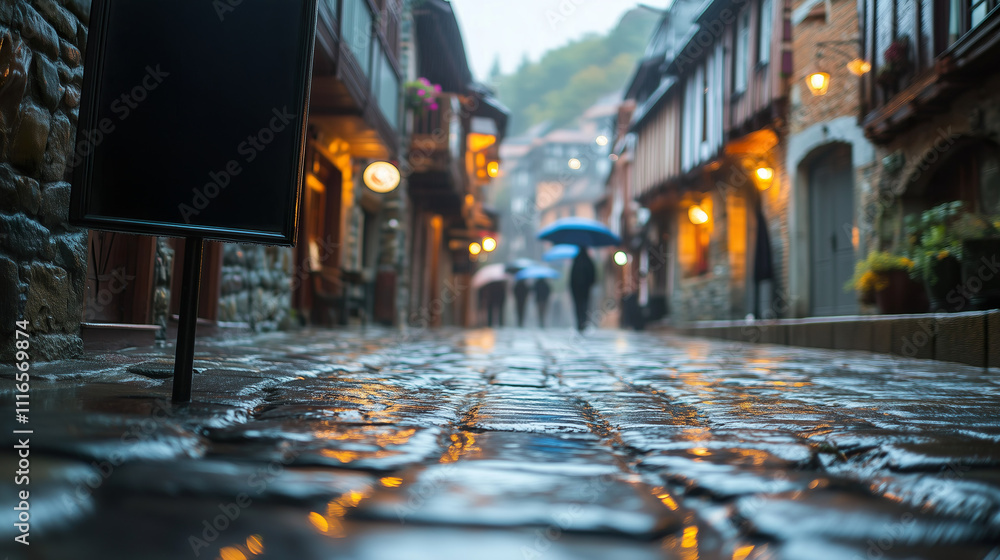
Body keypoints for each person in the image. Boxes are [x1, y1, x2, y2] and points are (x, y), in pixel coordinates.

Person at [570, 245, 595, 332]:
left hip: (576, 290)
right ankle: (583, 321)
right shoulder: (589, 261)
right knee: (585, 305)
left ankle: (579, 322)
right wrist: (590, 284)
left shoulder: (575, 261)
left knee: (578, 306)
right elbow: (593, 276)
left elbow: (572, 278)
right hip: (585, 289)